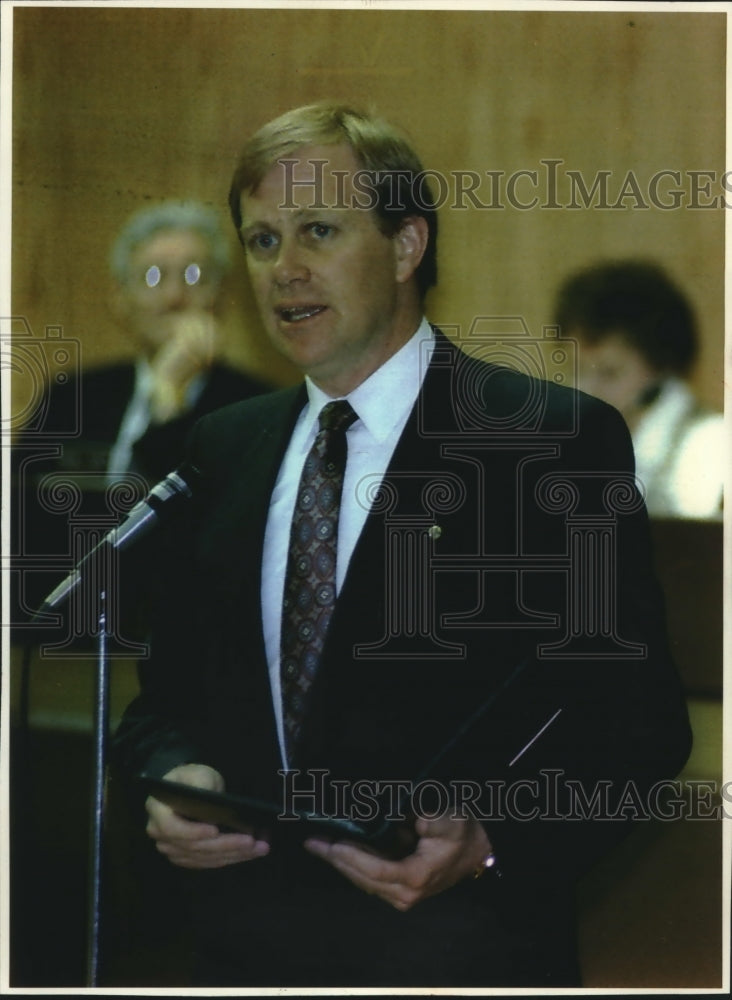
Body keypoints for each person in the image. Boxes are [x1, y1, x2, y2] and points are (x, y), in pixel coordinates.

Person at [111, 103, 692, 988]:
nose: (285, 269)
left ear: (407, 245)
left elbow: (639, 723)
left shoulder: (547, 442)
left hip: (458, 949)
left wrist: (494, 840)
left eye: (319, 230)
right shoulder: (223, 448)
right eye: (263, 241)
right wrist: (169, 775)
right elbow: (167, 701)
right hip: (242, 952)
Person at [11, 200, 271, 626]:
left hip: (181, 638)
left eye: (195, 275)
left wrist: (169, 397)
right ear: (120, 300)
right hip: (63, 635)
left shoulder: (254, 407)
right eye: (153, 277)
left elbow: (195, 541)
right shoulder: (72, 396)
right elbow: (23, 525)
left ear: (222, 297)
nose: (174, 296)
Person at [553, 260, 724, 519]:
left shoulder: (709, 444)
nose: (584, 389)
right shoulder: (575, 443)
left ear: (661, 369)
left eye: (609, 373)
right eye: (576, 370)